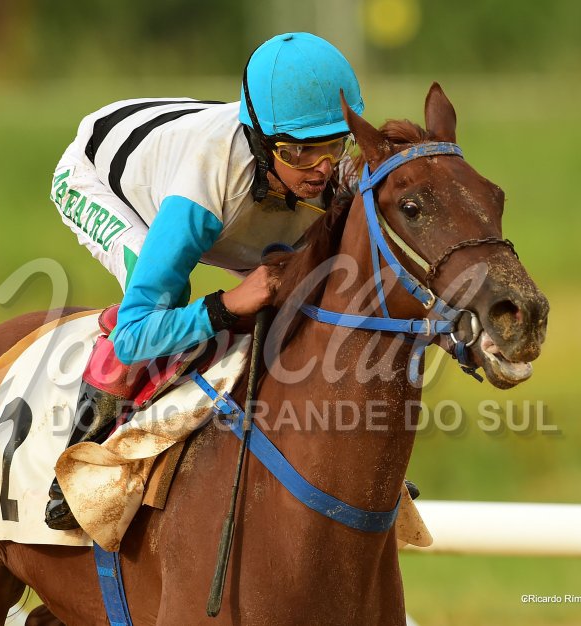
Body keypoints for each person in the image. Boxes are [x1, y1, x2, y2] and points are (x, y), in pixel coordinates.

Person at [46, 32, 365, 529]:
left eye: (334, 144)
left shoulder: (320, 163)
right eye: (300, 152)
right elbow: (136, 336)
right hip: (98, 177)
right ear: (264, 144)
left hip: (197, 155)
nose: (322, 168)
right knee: (168, 298)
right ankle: (79, 463)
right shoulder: (204, 190)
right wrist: (228, 304)